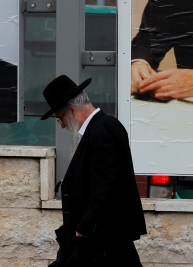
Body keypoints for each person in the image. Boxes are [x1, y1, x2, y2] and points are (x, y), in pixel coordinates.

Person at [43, 75, 146, 266]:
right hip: (104, 238)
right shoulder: (103, 126)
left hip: (103, 240)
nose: (63, 125)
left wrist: (86, 225)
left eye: (60, 119)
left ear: (72, 110)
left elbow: (107, 183)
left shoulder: (101, 130)